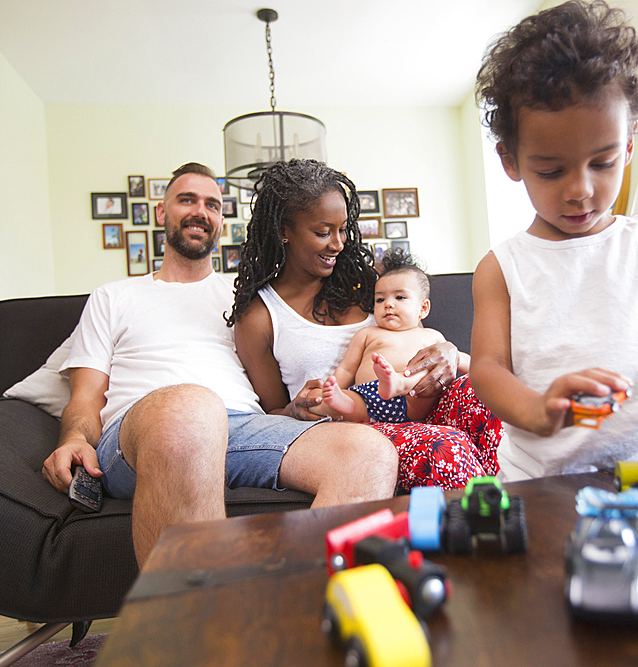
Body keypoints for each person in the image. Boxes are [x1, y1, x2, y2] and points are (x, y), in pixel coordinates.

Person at [42, 162, 398, 567]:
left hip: (242, 430)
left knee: (370, 452)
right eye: (187, 199)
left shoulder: (250, 297)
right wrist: (72, 439)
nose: (200, 211)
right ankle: (202, 627)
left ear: (222, 219)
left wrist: (295, 410)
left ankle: (299, 614)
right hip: (146, 431)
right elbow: (85, 396)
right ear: (162, 212)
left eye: (212, 204)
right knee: (191, 409)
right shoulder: (113, 296)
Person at [470, 0, 638, 502]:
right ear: (511, 160)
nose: (581, 190)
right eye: (550, 170)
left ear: (630, 144)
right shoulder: (500, 268)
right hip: (540, 486)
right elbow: (487, 368)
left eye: (603, 162)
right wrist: (536, 409)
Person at [228, 159, 501, 492]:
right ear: (284, 230)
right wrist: (295, 410)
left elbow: (419, 326)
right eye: (322, 232)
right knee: (445, 448)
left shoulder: (369, 285)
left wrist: (447, 351)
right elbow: (271, 413)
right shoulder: (259, 316)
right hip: (356, 424)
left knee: (486, 395)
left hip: (422, 400)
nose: (338, 243)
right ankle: (479, 528)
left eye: (342, 229)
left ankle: (509, 502)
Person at [313, 250, 468, 424]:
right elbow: (347, 369)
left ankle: (400, 382)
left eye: (400, 297)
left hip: (413, 397)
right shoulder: (367, 334)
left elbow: (459, 360)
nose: (388, 304)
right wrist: (335, 387)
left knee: (427, 373)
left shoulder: (432, 336)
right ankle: (346, 405)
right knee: (321, 398)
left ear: (423, 308)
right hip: (368, 396)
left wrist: (461, 360)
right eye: (380, 300)